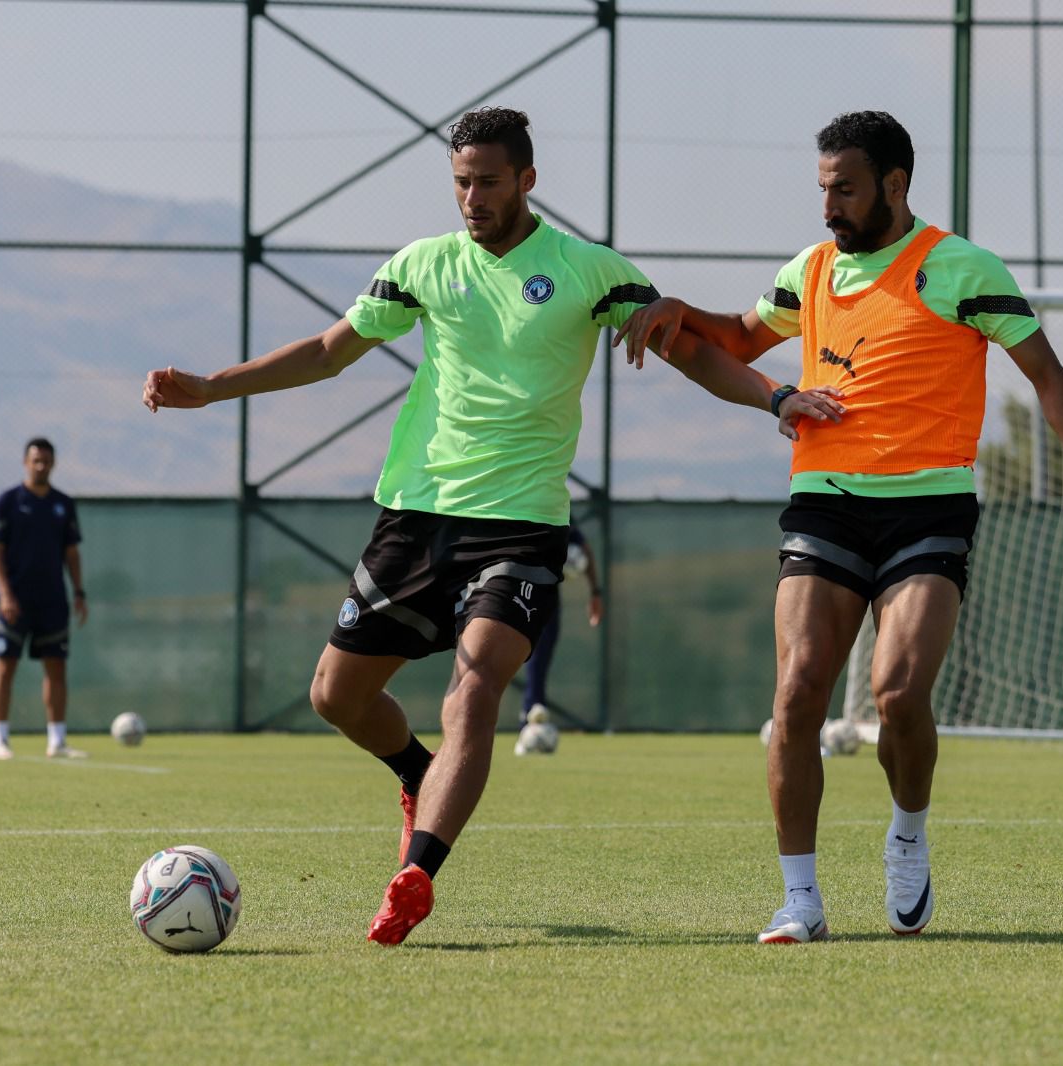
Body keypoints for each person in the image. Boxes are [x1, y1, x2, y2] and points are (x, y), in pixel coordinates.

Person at [140, 108, 835, 944]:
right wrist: (213, 387)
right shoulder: (424, 264)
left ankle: (415, 875)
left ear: (527, 180)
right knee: (335, 695)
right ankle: (416, 773)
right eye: (462, 182)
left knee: (473, 692)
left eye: (490, 181)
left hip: (521, 526)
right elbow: (328, 351)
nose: (473, 197)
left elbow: (690, 350)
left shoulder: (588, 270)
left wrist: (775, 397)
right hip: (416, 516)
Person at [616, 111, 1063, 943]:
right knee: (796, 693)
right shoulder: (812, 268)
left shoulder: (960, 267)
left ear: (894, 184)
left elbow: (1045, 370)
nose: (829, 207)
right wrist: (682, 311)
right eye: (823, 189)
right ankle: (800, 901)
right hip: (824, 500)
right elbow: (741, 337)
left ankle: (908, 835)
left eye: (845, 190)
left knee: (898, 693)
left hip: (929, 506)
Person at [0, 437, 90, 760]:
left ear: (53, 463)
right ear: (25, 462)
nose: (41, 466)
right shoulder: (7, 502)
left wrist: (78, 591)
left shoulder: (63, 504)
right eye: (35, 460)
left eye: (46, 461)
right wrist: (5, 594)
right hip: (15, 601)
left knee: (56, 667)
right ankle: (1, 740)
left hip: (52, 600)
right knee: (5, 666)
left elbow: (71, 552)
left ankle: (57, 741)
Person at [520, 521, 602, 726]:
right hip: (515, 585)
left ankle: (532, 712)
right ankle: (531, 711)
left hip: (546, 589)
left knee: (542, 650)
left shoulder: (559, 510)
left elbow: (584, 548)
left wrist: (595, 592)